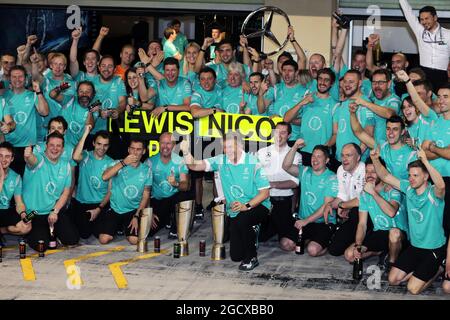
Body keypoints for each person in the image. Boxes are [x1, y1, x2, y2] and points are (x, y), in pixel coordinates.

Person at [181, 132, 270, 271]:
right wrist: (186, 151)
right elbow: (194, 166)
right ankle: (253, 232)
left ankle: (252, 257)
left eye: (230, 146)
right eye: (224, 147)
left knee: (243, 219)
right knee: (236, 256)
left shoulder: (253, 162)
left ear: (240, 146)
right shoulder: (221, 160)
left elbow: (265, 193)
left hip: (257, 205)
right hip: (234, 209)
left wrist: (246, 206)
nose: (227, 150)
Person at [371, 145, 446, 295]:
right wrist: (374, 159)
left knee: (413, 289)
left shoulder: (434, 194)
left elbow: (441, 185)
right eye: (410, 175)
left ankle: (438, 269)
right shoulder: (408, 189)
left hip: (433, 249)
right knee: (393, 280)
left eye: (415, 175)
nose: (411, 179)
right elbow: (385, 176)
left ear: (425, 176)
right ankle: (421, 271)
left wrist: (425, 161)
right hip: (415, 247)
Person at [344, 157, 408, 271]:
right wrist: (358, 246)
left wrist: (373, 193)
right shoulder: (365, 194)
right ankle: (378, 251)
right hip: (379, 233)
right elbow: (362, 225)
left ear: (381, 173)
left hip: (398, 234)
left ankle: (391, 263)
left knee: (394, 233)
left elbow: (391, 212)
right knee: (350, 255)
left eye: (374, 172)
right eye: (367, 172)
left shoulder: (392, 189)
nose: (369, 175)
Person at [23, 131, 79, 251]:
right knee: (42, 246)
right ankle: (31, 233)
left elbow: (65, 192)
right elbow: (32, 161)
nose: (55, 148)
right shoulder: (39, 159)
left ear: (63, 149)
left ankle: (51, 231)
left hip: (51, 214)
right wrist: (28, 156)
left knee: (72, 240)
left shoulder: (66, 166)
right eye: (51, 145)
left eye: (58, 145)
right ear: (46, 146)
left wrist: (55, 211)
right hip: (33, 213)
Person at [282, 143, 339, 256]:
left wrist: (305, 221)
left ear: (326, 160)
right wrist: (294, 147)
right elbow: (286, 166)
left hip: (323, 222)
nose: (315, 159)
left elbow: (327, 206)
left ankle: (327, 241)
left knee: (312, 250)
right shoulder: (305, 171)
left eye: (319, 156)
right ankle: (308, 239)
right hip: (304, 221)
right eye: (313, 156)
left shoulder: (332, 177)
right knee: (285, 244)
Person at [98, 139, 152, 245]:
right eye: (132, 148)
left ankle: (124, 227)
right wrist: (123, 163)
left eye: (138, 149)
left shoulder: (147, 170)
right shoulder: (117, 163)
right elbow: (105, 177)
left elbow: (146, 195)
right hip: (115, 209)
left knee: (134, 240)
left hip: (132, 210)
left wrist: (137, 215)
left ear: (144, 151)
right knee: (103, 239)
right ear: (128, 150)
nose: (135, 152)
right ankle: (118, 226)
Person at [256, 122, 301, 244]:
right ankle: (273, 228)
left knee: (288, 245)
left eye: (283, 132)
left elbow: (294, 183)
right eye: (277, 132)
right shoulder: (262, 152)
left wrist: (272, 184)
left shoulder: (296, 155)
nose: (279, 136)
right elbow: (254, 177)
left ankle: (278, 228)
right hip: (264, 201)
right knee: (258, 238)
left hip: (283, 202)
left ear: (289, 135)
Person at [284, 68, 338, 166]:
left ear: (332, 83)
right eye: (320, 79)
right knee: (302, 180)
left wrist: (326, 147)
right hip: (303, 149)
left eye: (326, 80)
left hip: (322, 154)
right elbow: (286, 119)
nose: (322, 82)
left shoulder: (335, 105)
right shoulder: (307, 97)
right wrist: (302, 102)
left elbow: (335, 134)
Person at [4, 65, 48, 176]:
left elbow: (44, 112)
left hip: (28, 148)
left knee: (28, 182)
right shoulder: (3, 97)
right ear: (10, 78)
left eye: (20, 76)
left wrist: (38, 91)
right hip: (8, 147)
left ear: (26, 78)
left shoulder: (33, 95)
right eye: (14, 77)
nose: (17, 79)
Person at [71, 125, 114, 239]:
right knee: (84, 235)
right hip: (81, 203)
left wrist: (99, 209)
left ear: (109, 146)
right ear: (93, 143)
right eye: (99, 144)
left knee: (101, 235)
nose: (102, 148)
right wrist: (85, 133)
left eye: (105, 145)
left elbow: (110, 192)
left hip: (99, 205)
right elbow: (75, 156)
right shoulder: (86, 155)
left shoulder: (111, 163)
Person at [147, 132, 190, 238]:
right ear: (158, 144)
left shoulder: (180, 161)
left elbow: (186, 185)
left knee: (183, 195)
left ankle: (176, 225)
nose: (165, 147)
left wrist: (176, 183)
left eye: (169, 143)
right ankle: (166, 219)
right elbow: (144, 190)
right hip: (157, 201)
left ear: (174, 145)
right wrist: (149, 211)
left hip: (173, 200)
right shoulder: (150, 162)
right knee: (148, 232)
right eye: (162, 143)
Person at [399, 1, 450, 92]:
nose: (424, 22)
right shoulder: (419, 31)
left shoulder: (448, 34)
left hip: (442, 75)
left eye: (427, 18)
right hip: (424, 74)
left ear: (435, 17)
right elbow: (408, 12)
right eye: (421, 19)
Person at [421, 83, 450, 237]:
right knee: (434, 220)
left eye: (446, 97)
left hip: (449, 179)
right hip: (432, 177)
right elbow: (423, 151)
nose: (441, 100)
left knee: (447, 221)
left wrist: (433, 148)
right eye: (439, 96)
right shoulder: (434, 122)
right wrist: (443, 150)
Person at [328, 143, 367, 256]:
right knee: (334, 250)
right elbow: (342, 195)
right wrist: (330, 205)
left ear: (358, 157)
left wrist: (343, 205)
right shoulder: (341, 169)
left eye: (348, 155)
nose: (344, 159)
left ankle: (372, 246)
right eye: (342, 155)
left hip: (367, 215)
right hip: (351, 213)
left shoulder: (365, 170)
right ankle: (354, 241)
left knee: (355, 213)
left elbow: (363, 200)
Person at [332, 69, 375, 163]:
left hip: (356, 162)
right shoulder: (342, 103)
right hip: (340, 160)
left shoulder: (366, 103)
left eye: (351, 82)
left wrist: (356, 157)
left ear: (360, 83)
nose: (347, 85)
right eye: (345, 81)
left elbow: (369, 133)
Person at [260, 60, 308, 142]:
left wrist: (284, 120)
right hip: (274, 138)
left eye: (290, 71)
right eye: (284, 70)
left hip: (294, 139)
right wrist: (261, 93)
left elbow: (305, 120)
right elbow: (261, 109)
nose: (286, 74)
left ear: (296, 73)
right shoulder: (276, 88)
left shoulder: (305, 92)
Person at [51, 80, 96, 147]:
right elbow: (52, 95)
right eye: (81, 91)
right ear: (77, 93)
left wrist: (90, 111)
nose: (84, 94)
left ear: (93, 94)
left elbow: (89, 127)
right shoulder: (70, 99)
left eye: (87, 92)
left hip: (72, 148)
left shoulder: (94, 109)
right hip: (55, 142)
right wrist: (59, 88)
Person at [0, 142, 29, 236]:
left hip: (5, 211)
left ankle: (2, 230)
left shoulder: (16, 177)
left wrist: (23, 214)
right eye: (0, 156)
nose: (3, 159)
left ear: (12, 159)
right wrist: (1, 177)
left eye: (7, 156)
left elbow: (19, 203)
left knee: (26, 227)